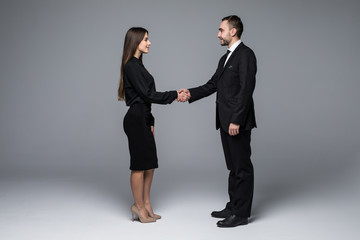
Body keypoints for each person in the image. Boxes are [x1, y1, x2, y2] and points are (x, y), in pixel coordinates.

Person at [179, 15, 257, 227]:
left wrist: (236, 120)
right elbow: (213, 84)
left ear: (233, 31)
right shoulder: (225, 58)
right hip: (224, 121)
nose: (218, 34)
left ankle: (241, 215)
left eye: (221, 30)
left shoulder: (246, 55)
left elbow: (246, 91)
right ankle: (233, 206)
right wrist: (190, 93)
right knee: (233, 167)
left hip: (236, 123)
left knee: (242, 168)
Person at [118, 27, 187, 223]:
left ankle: (147, 204)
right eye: (146, 39)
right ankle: (138, 207)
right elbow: (147, 96)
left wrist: (151, 122)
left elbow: (146, 100)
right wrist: (175, 94)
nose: (149, 43)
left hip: (143, 118)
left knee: (150, 164)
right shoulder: (131, 66)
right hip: (135, 118)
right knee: (139, 166)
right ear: (136, 41)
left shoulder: (138, 65)